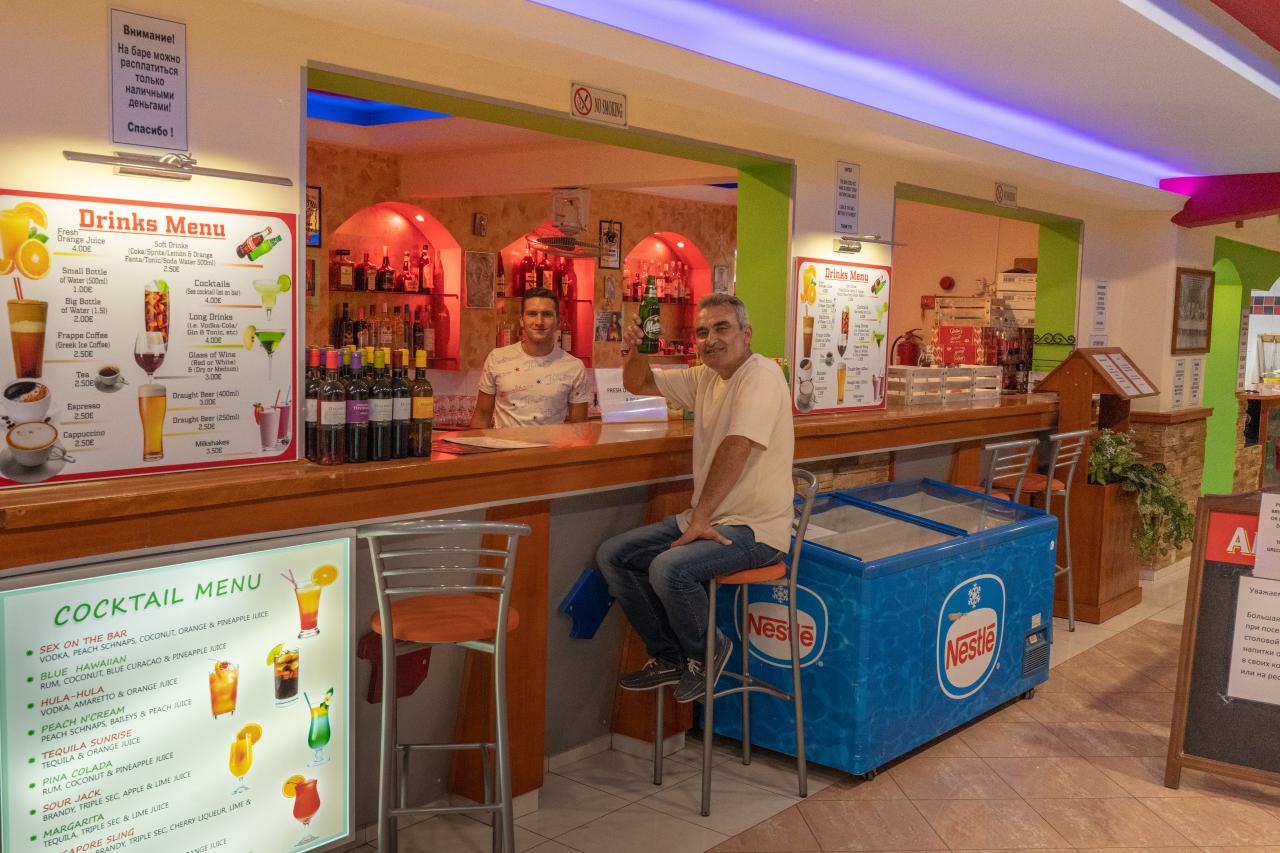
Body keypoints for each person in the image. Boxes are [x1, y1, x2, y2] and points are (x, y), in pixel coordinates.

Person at [596, 293, 795, 702]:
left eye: (722, 328)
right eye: (702, 332)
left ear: (746, 334)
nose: (711, 339)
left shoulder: (761, 375)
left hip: (756, 530)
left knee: (669, 569)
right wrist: (635, 351)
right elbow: (638, 383)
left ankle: (706, 654)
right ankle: (671, 657)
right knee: (614, 555)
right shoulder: (705, 377)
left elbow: (737, 445)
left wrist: (700, 517)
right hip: (711, 519)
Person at [470, 287, 591, 428]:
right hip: (504, 443)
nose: (539, 321)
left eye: (547, 314)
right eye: (532, 314)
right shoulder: (497, 358)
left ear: (558, 321)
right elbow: (481, 416)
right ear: (522, 320)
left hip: (551, 443)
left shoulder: (574, 367)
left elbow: (579, 427)